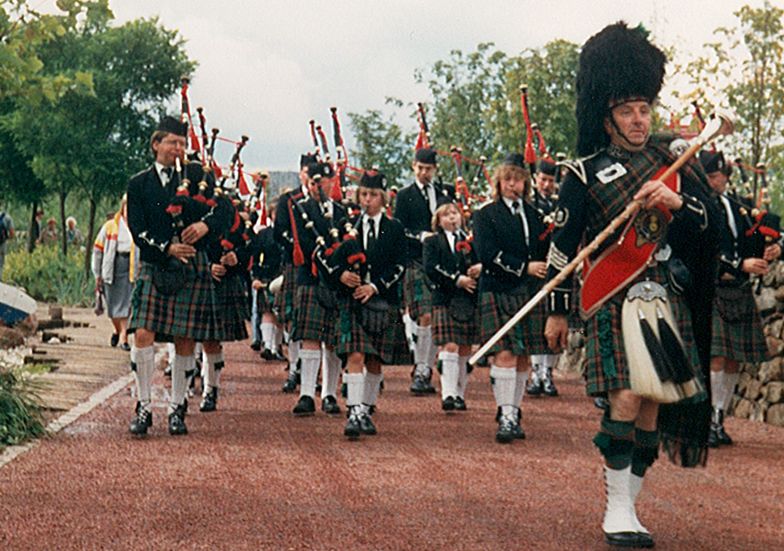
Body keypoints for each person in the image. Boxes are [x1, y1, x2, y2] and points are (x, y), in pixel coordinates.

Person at [543, 23, 718, 548]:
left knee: (651, 404)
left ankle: (630, 504)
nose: (639, 119)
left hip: (662, 292)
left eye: (644, 109)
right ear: (608, 116)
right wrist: (557, 309)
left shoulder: (674, 166)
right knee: (624, 396)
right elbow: (560, 247)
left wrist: (676, 203)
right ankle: (616, 508)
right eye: (627, 111)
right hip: (612, 293)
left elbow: (710, 230)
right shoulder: (581, 172)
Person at [126, 115, 230, 436]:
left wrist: (205, 226)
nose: (179, 148)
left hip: (191, 267)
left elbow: (226, 211)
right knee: (143, 334)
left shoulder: (196, 177)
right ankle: (143, 406)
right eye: (172, 142)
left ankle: (177, 407)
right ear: (156, 144)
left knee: (185, 338)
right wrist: (166, 248)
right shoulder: (139, 183)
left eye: (183, 143)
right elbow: (137, 229)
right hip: (157, 264)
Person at [699, 150, 780, 447]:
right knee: (716, 356)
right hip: (713, 288)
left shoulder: (736, 207)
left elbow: (758, 236)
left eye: (719, 176)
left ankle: (719, 418)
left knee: (733, 359)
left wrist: (773, 249)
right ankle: (706, 419)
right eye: (711, 177)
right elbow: (701, 251)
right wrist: (737, 265)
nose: (716, 181)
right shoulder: (698, 207)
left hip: (739, 291)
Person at [473, 154, 548, 443]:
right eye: (507, 179)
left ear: (525, 182)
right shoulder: (485, 214)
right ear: (499, 182)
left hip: (529, 292)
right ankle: (504, 414)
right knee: (504, 353)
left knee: (522, 356)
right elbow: (487, 255)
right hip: (498, 288)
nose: (512, 184)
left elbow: (543, 249)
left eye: (517, 179)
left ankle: (514, 411)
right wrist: (524, 268)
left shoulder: (534, 215)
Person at [327, 169, 408, 439]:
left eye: (373, 195)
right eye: (364, 194)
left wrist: (374, 287)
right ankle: (355, 412)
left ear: (383, 198)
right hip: (351, 301)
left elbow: (400, 266)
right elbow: (328, 257)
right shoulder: (346, 225)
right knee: (355, 355)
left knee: (374, 360)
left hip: (381, 299)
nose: (367, 200)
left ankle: (367, 406)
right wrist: (341, 274)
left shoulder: (395, 228)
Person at [394, 147, 454, 394]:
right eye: (419, 168)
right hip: (416, 260)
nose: (423, 173)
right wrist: (421, 235)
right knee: (424, 315)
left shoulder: (443, 194)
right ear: (413, 167)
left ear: (434, 169)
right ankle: (421, 368)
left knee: (436, 316)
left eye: (428, 169)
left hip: (439, 261)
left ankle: (427, 368)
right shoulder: (404, 195)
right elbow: (399, 228)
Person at [288, 162, 346, 416]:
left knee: (332, 341)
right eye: (314, 182)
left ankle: (330, 394)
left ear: (333, 181)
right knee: (310, 338)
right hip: (311, 277)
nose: (318, 186)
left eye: (323, 181)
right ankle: (306, 394)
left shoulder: (343, 213)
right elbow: (304, 242)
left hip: (336, 282)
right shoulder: (300, 209)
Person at [423, 202, 481, 411]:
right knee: (449, 345)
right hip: (445, 297)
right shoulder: (432, 242)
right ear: (438, 221)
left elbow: (479, 261)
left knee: (465, 347)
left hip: (467, 298)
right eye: (447, 215)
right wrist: (457, 279)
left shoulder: (471, 242)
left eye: (455, 213)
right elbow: (430, 268)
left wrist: (478, 268)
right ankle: (448, 394)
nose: (452, 218)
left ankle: (459, 394)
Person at [273, 154, 317, 392]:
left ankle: (314, 374)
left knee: (314, 324)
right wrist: (298, 246)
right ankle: (293, 368)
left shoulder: (325, 202)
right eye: (308, 171)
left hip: (319, 268)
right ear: (301, 172)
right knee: (292, 319)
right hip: (295, 263)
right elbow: (279, 231)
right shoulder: (289, 200)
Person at [527, 157, 561, 397]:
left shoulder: (560, 205)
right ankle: (536, 371)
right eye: (543, 179)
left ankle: (548, 372)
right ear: (535, 179)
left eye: (551, 180)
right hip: (535, 268)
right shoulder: (529, 206)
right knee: (537, 323)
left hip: (557, 268)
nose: (547, 185)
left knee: (557, 318)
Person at [92, 196, 137, 351]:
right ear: (122, 208)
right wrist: (97, 273)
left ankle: (124, 337)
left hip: (129, 266)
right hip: (112, 266)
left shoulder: (137, 227)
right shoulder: (110, 226)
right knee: (111, 304)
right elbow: (98, 250)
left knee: (126, 303)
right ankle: (117, 329)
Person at [0, 208, 15, 281]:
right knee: (1, 260)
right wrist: (8, 238)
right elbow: (12, 232)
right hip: (2, 242)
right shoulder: (7, 217)